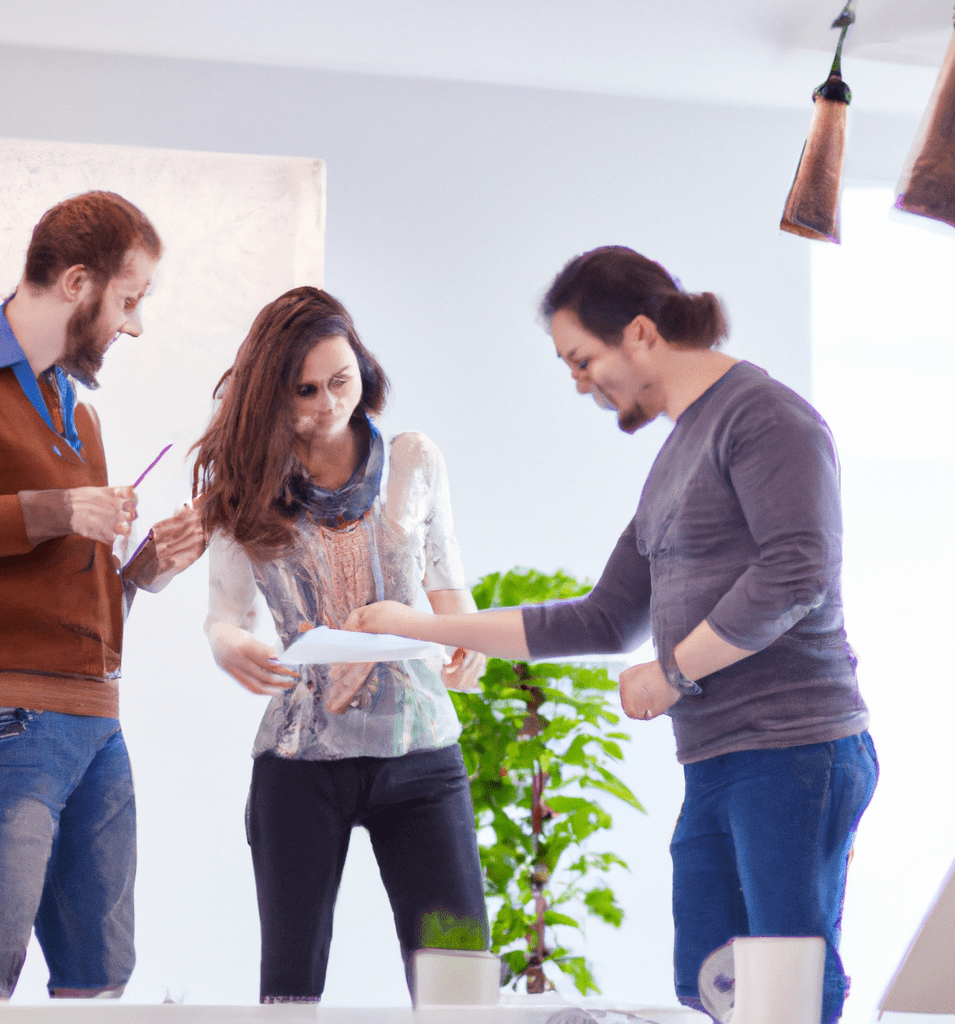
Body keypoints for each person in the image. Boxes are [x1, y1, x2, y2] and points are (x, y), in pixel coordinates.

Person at [345, 246, 878, 1024]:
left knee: (785, 992)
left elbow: (798, 572)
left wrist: (673, 671)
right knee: (709, 979)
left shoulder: (765, 418)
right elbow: (601, 617)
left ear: (639, 333)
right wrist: (421, 623)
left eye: (582, 358)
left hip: (796, 749)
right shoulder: (676, 456)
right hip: (719, 759)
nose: (579, 380)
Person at [0, 191, 205, 999]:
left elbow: (51, 578)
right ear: (79, 282)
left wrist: (142, 572)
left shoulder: (78, 416)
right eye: (130, 300)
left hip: (94, 724)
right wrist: (53, 510)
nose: (133, 326)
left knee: (102, 975)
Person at [193, 286, 489, 1003]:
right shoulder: (242, 485)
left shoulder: (414, 458)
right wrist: (229, 646)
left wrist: (468, 639)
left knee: (459, 981)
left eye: (341, 381)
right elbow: (224, 615)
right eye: (304, 390)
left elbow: (449, 579)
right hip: (300, 761)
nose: (328, 403)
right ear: (270, 394)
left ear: (363, 368)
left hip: (419, 752)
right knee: (291, 985)